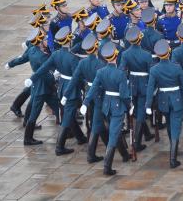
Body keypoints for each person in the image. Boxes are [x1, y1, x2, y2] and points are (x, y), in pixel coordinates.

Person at [25, 27, 87, 156]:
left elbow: (43, 68)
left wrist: (32, 79)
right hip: (71, 88)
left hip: (62, 86)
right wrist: (84, 89)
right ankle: (60, 146)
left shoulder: (56, 54)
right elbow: (77, 77)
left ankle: (80, 137)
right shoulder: (73, 58)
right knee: (67, 116)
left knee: (67, 113)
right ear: (69, 40)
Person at [6, 28, 60, 145]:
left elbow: (21, 59)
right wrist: (56, 77)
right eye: (45, 39)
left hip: (38, 86)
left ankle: (69, 129)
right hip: (44, 87)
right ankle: (27, 139)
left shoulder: (32, 51)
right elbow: (48, 71)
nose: (47, 40)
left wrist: (10, 64)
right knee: (37, 112)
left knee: (58, 107)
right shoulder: (42, 57)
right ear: (40, 42)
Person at [89, 41, 131, 175]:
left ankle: (124, 155)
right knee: (113, 134)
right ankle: (107, 166)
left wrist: (85, 102)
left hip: (106, 105)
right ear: (116, 55)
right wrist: (130, 105)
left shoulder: (101, 71)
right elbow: (124, 95)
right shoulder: (120, 74)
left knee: (115, 130)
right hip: (117, 105)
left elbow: (94, 88)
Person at [145, 40, 183, 168]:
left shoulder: (154, 69)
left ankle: (173, 147)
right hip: (176, 99)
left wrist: (148, 104)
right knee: (175, 127)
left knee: (170, 124)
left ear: (158, 55)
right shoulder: (176, 67)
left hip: (163, 100)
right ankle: (173, 158)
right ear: (169, 52)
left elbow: (150, 88)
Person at [64, 34, 106, 163]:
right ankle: (91, 154)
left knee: (97, 121)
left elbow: (75, 79)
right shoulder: (100, 63)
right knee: (96, 123)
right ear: (96, 48)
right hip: (99, 95)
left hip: (88, 93)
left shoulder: (82, 62)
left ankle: (113, 144)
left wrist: (66, 94)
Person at [119, 26, 153, 151]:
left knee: (138, 111)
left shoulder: (125, 54)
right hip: (144, 84)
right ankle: (137, 142)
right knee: (140, 113)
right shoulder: (146, 54)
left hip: (132, 84)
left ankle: (147, 134)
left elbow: (122, 71)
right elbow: (151, 73)